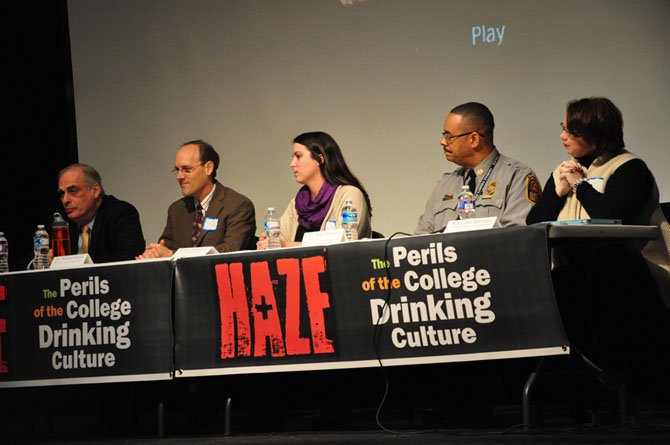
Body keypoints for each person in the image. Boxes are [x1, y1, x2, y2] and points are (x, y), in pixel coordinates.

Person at [527, 97, 670, 403]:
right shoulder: (566, 170)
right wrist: (559, 192)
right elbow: (534, 222)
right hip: (577, 266)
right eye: (563, 128)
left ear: (597, 134)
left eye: (571, 131)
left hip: (633, 270)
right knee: (554, 288)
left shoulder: (630, 168)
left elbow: (612, 214)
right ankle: (580, 393)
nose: (563, 136)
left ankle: (627, 393)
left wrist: (580, 186)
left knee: (606, 275)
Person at [415, 102, 541, 234]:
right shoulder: (445, 184)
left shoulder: (517, 177)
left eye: (449, 136)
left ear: (474, 139)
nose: (442, 141)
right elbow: (421, 237)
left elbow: (518, 237)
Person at [137, 140, 256, 258]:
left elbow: (231, 250)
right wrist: (154, 253)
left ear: (208, 168)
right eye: (177, 170)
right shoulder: (177, 209)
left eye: (187, 170)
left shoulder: (237, 205)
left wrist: (173, 254)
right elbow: (165, 247)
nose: (179, 177)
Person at [257, 131, 371, 248]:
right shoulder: (297, 203)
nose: (292, 164)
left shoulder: (349, 195)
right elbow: (277, 240)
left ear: (319, 159)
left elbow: (343, 245)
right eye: (293, 158)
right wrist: (266, 242)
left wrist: (286, 245)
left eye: (298, 156)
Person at [56, 163, 145, 263]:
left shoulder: (120, 213)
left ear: (95, 190)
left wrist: (80, 263)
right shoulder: (59, 222)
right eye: (62, 193)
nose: (65, 200)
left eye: (73, 190)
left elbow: (131, 256)